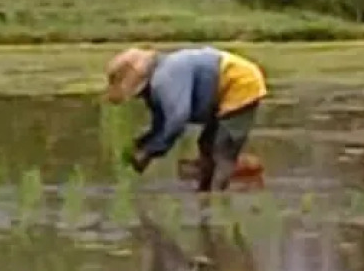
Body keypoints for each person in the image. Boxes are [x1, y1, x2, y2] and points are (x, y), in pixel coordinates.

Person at [104, 45, 268, 192]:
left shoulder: (165, 79)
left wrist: (149, 151)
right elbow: (161, 123)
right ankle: (206, 191)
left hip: (240, 83)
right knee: (207, 145)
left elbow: (177, 120)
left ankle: (215, 199)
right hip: (222, 88)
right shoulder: (159, 83)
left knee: (222, 151)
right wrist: (143, 144)